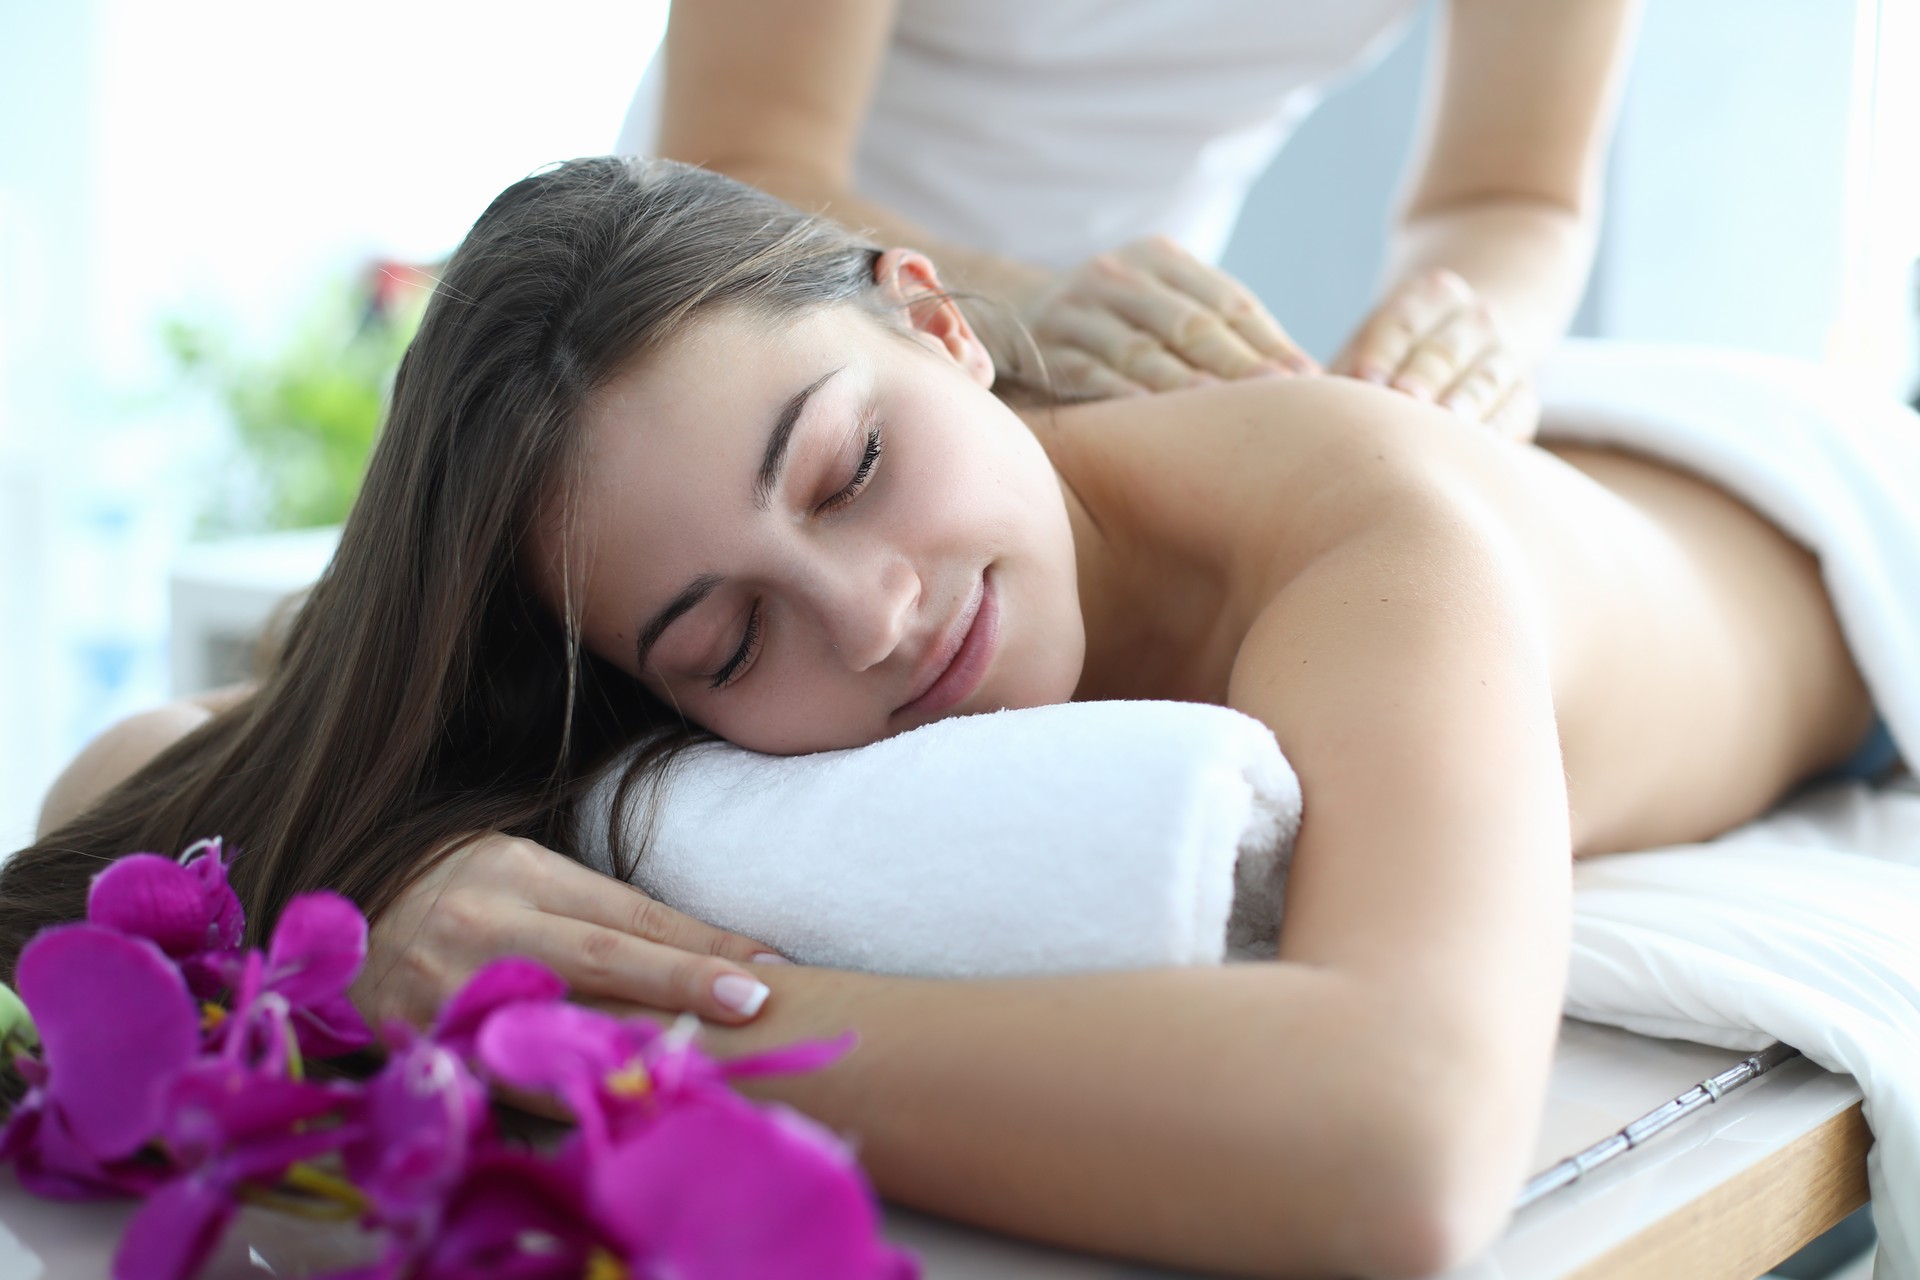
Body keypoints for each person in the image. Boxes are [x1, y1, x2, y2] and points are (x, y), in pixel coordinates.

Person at [7, 159, 1888, 1275]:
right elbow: (150, 773)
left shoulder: (1360, 530)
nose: (878, 614)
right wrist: (399, 874)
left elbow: (1400, 1148)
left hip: (1829, 517)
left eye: (850, 470)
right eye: (725, 640)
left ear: (939, 321)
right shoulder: (742, 558)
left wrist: (604, 1016)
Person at [624, 0, 1639, 428]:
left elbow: (1513, 194)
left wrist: (1463, 346)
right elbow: (742, 161)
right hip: (760, 301)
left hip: (1128, 362)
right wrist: (1013, 305)